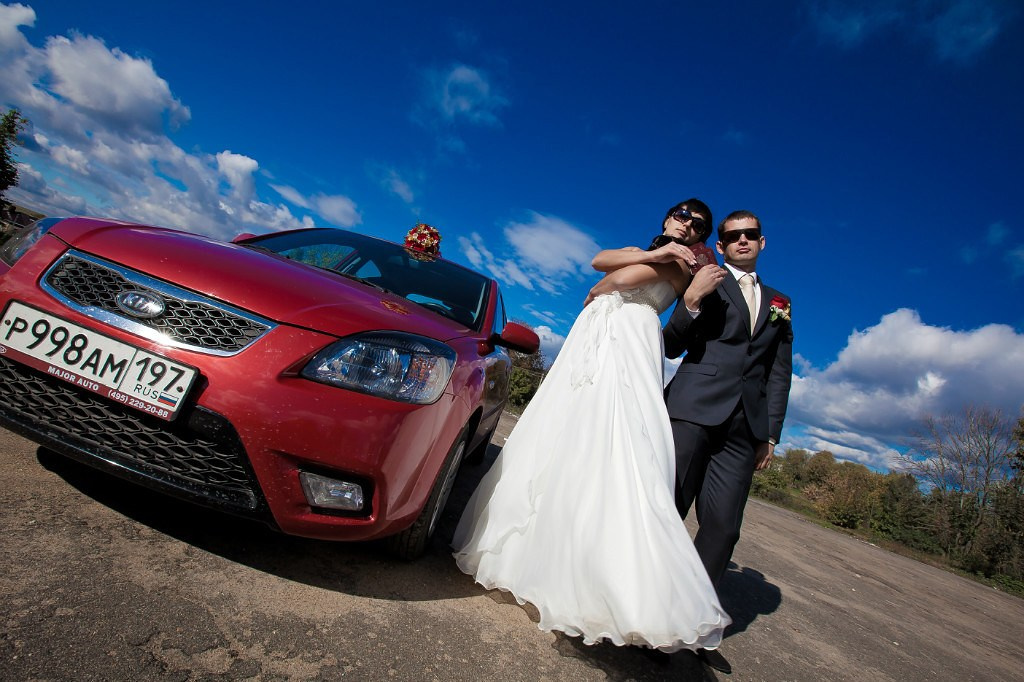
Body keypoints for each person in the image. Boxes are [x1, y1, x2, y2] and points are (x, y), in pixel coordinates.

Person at [453, 199, 731, 654]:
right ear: (667, 218)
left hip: (628, 342)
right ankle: (537, 551)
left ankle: (611, 577)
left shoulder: (681, 263)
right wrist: (649, 255)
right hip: (594, 339)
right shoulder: (656, 252)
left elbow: (614, 280)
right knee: (565, 426)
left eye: (698, 224)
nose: (687, 225)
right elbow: (599, 260)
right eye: (682, 215)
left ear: (701, 237)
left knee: (614, 434)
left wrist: (626, 273)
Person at [662, 209, 793, 673]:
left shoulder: (780, 302)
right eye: (732, 236)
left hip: (744, 429)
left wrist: (770, 434)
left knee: (723, 528)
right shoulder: (707, 278)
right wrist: (691, 300)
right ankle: (640, 609)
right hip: (692, 411)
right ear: (720, 245)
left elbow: (779, 371)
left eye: (750, 234)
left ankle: (687, 627)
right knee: (667, 509)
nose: (742, 240)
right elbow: (671, 344)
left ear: (762, 241)